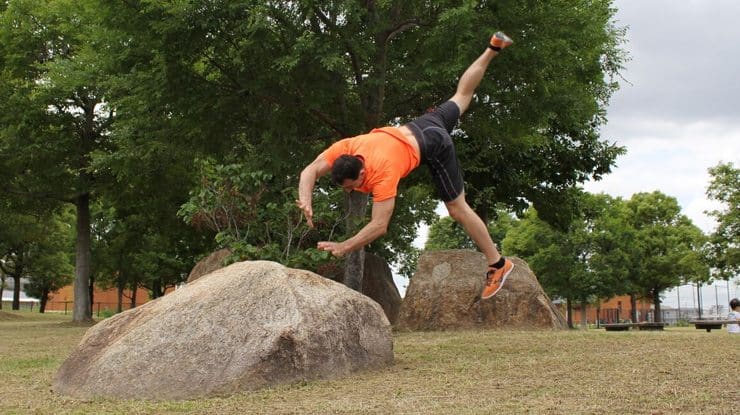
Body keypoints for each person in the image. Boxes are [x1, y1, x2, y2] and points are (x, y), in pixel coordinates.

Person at [297, 32, 515, 299]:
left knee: (458, 209)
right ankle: (493, 47)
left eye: (353, 186)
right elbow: (310, 170)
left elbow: (379, 225)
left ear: (362, 173)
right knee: (462, 95)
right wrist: (305, 199)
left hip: (434, 145)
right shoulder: (346, 147)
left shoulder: (382, 175)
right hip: (422, 124)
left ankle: (498, 264)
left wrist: (345, 246)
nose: (351, 190)